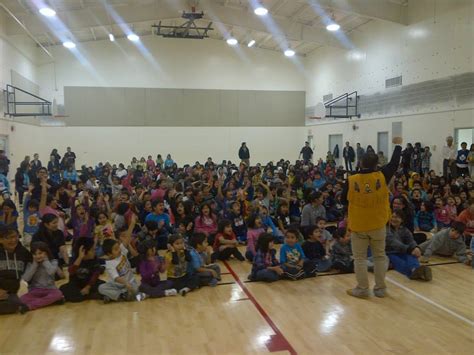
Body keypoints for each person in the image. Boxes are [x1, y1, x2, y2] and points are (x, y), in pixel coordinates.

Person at [342, 136, 402, 299]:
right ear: (376, 164)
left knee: (360, 259)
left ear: (360, 163)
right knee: (380, 256)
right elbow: (394, 163)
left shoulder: (352, 179)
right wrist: (398, 145)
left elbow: (342, 200)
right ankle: (380, 289)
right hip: (378, 224)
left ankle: (362, 289)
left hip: (358, 225)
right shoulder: (382, 175)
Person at [386, 210, 432, 281]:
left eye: (397, 217)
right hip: (390, 252)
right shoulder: (386, 229)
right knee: (398, 262)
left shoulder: (404, 229)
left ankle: (417, 270)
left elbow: (411, 240)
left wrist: (416, 248)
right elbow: (393, 242)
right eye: (392, 217)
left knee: (412, 257)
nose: (393, 219)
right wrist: (409, 249)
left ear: (402, 220)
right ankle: (413, 272)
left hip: (403, 251)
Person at [20, 242, 65, 312]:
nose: (37, 256)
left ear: (46, 253)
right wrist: (34, 265)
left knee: (58, 294)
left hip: (50, 290)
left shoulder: (53, 262)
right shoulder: (30, 264)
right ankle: (51, 301)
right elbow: (26, 278)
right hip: (35, 290)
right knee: (21, 300)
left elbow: (51, 272)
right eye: (35, 254)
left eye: (40, 253)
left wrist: (45, 261)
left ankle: (30, 306)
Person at [99, 238, 146, 303]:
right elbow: (116, 278)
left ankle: (112, 296)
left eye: (118, 247)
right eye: (116, 249)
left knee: (135, 289)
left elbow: (127, 238)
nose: (119, 250)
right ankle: (122, 295)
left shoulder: (122, 253)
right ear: (109, 254)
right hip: (117, 285)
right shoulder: (109, 264)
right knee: (101, 288)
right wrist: (125, 283)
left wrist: (131, 227)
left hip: (130, 282)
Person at [59, 237, 105, 302]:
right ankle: (91, 296)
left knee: (103, 286)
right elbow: (71, 271)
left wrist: (88, 287)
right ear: (84, 251)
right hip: (76, 285)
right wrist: (80, 258)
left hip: (90, 284)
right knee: (63, 289)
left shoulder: (94, 259)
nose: (94, 252)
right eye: (92, 250)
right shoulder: (74, 259)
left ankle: (83, 296)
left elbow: (95, 275)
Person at [0, 226, 32, 315]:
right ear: (1, 240)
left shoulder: (24, 252)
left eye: (15, 236)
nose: (13, 240)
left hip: (13, 291)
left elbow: (31, 268)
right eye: (9, 238)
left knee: (17, 305)